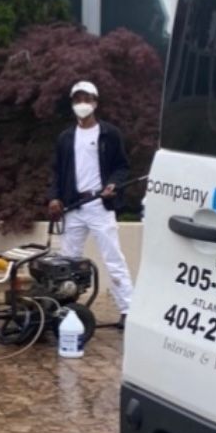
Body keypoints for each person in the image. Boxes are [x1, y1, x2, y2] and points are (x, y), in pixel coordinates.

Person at [48, 80, 134, 327]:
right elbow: (55, 171)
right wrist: (54, 197)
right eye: (77, 100)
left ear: (95, 103)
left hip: (99, 205)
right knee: (66, 261)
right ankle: (64, 308)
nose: (82, 104)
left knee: (113, 259)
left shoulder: (109, 134)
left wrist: (113, 185)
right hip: (74, 207)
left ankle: (129, 310)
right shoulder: (65, 138)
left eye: (87, 99)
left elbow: (121, 167)